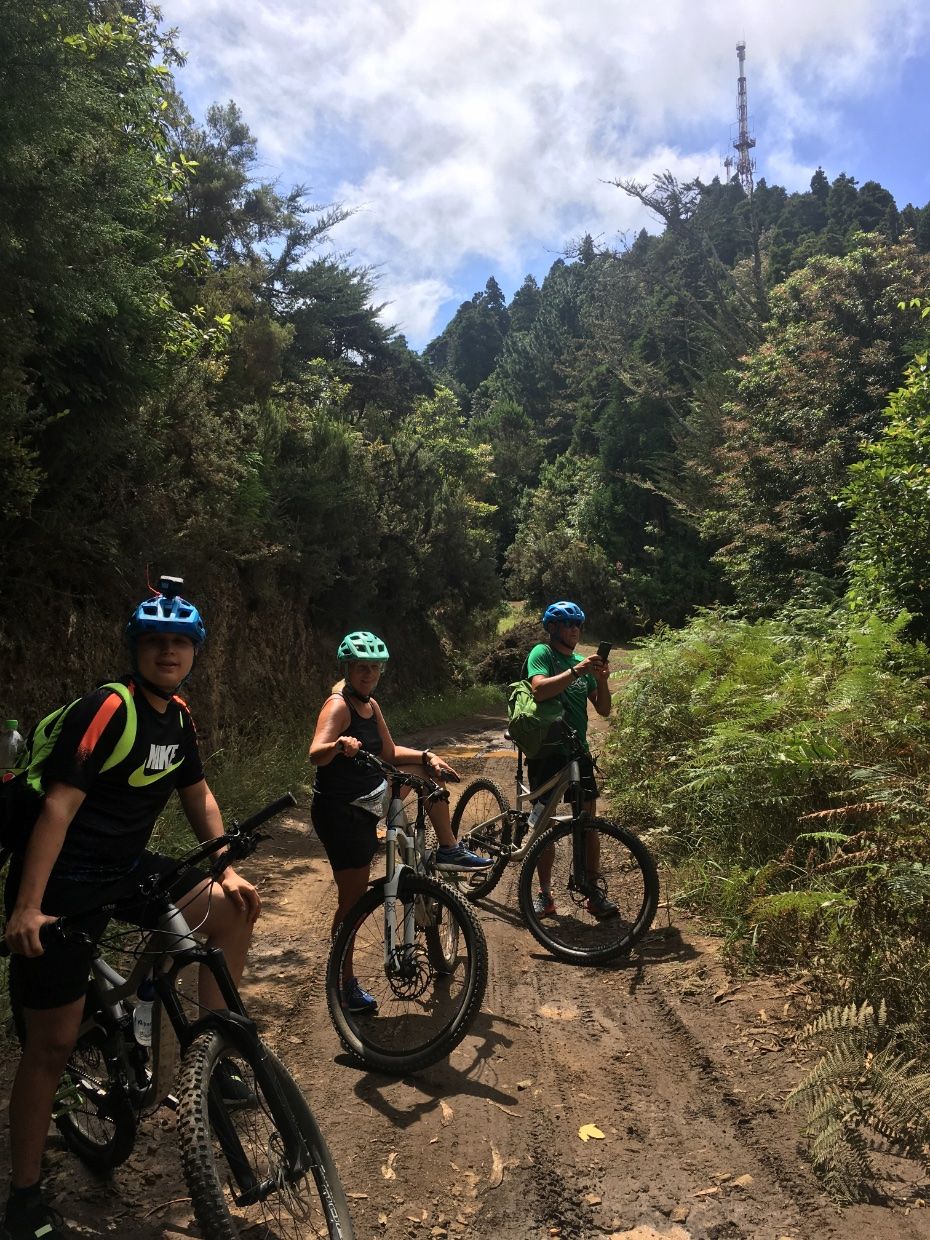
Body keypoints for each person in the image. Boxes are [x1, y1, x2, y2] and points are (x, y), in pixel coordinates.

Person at [2, 579, 260, 1240]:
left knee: (229, 912)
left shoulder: (179, 717)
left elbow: (197, 795)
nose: (168, 652)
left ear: (194, 651)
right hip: (60, 886)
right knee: (51, 1046)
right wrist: (28, 908)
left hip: (122, 873)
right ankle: (25, 1194)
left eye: (179, 642)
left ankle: (211, 1052)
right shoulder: (108, 710)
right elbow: (58, 808)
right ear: (137, 648)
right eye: (155, 641)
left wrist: (224, 867)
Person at [309, 631, 491, 1014]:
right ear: (348, 668)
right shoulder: (338, 705)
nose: (369, 674)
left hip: (370, 792)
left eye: (375, 669)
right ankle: (345, 984)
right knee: (351, 901)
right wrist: (338, 746)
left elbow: (390, 753)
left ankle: (448, 849)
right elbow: (316, 754)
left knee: (429, 774)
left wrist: (427, 755)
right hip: (342, 810)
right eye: (362, 668)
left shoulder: (370, 706)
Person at [525, 600, 614, 919]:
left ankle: (591, 891)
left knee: (588, 823)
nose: (575, 630)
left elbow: (603, 709)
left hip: (579, 752)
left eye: (578, 625)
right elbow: (538, 691)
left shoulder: (582, 664)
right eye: (568, 624)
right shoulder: (543, 655)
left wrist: (601, 679)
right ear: (553, 629)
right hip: (546, 752)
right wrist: (576, 669)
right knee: (544, 824)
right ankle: (544, 894)